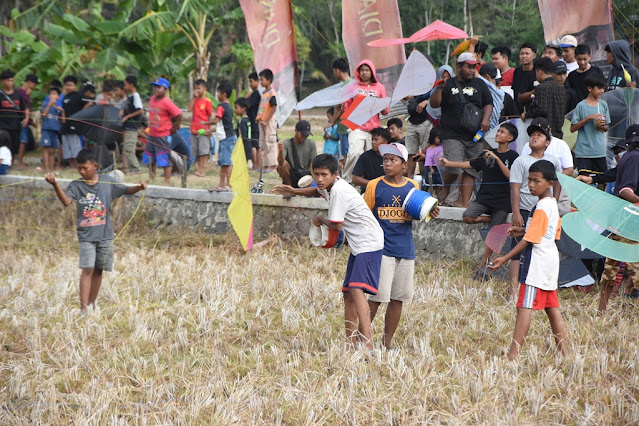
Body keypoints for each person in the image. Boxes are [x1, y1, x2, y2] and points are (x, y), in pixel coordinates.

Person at [274, 154, 384, 350]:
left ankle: (367, 342)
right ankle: (350, 342)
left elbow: (336, 225)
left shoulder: (339, 192)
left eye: (324, 175)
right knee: (348, 293)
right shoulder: (330, 186)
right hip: (359, 245)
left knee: (357, 289)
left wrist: (319, 220)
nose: (319, 179)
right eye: (316, 174)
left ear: (335, 174)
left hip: (369, 242)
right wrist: (295, 190)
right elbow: (317, 191)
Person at [44, 149, 146, 313]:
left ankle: (92, 304)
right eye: (79, 169)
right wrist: (55, 184)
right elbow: (66, 201)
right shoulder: (76, 185)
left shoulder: (107, 182)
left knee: (99, 270)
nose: (82, 171)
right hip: (86, 237)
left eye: (85, 168)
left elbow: (125, 190)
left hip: (106, 236)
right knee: (88, 269)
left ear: (95, 166)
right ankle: (83, 308)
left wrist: (138, 188)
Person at [489, 160, 566, 362]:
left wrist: (505, 257)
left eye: (536, 181)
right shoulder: (551, 205)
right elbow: (551, 233)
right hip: (550, 260)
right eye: (529, 180)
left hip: (536, 264)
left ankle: (513, 356)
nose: (531, 185)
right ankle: (564, 353)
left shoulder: (540, 206)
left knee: (524, 306)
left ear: (549, 183)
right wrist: (523, 229)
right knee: (552, 307)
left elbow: (531, 239)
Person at [363, 142, 439, 349]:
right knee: (377, 297)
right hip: (382, 249)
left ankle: (387, 343)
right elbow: (364, 215)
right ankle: (363, 340)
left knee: (398, 298)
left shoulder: (413, 187)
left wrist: (430, 212)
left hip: (405, 249)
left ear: (404, 165)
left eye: (393, 160)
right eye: (385, 160)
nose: (387, 164)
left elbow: (417, 213)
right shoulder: (374, 185)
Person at [442, 122, 519, 266]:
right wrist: (449, 163)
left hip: (502, 201)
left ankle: (484, 262)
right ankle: (490, 218)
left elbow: (511, 177)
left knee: (494, 234)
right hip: (485, 197)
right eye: (498, 131)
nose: (498, 134)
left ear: (510, 137)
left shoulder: (514, 156)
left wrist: (497, 159)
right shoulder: (486, 153)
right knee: (468, 216)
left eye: (502, 132)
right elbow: (470, 164)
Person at [429, 52, 493, 208]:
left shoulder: (480, 84)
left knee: (471, 168)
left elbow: (488, 103)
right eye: (468, 67)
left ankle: (463, 202)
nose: (471, 70)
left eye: (473, 67)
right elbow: (434, 104)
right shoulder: (448, 83)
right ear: (458, 67)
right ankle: (445, 190)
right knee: (454, 166)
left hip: (474, 134)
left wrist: (485, 119)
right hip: (452, 133)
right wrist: (438, 90)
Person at [509, 118, 563, 298]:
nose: (534, 137)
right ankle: (513, 289)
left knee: (541, 244)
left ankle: (538, 286)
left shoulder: (553, 160)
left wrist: (554, 202)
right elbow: (515, 187)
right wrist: (516, 212)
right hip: (525, 208)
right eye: (532, 134)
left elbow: (558, 182)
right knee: (517, 250)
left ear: (548, 142)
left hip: (545, 209)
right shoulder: (520, 161)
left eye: (539, 135)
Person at [588, 129, 639, 314]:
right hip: (631, 219)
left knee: (611, 267)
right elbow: (626, 190)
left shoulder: (628, 157)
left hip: (620, 219)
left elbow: (613, 175)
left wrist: (592, 178)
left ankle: (601, 311)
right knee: (635, 267)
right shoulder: (635, 158)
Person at [341, 60, 389, 183]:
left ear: (372, 72)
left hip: (374, 130)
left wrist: (381, 105)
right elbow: (346, 107)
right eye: (361, 70)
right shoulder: (353, 87)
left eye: (367, 70)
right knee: (355, 153)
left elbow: (385, 111)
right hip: (356, 127)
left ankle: (365, 184)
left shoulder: (379, 87)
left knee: (370, 157)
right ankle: (347, 181)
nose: (364, 72)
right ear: (358, 72)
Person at [143, 77, 182, 186]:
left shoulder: (166, 102)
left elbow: (179, 114)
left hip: (162, 135)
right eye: (154, 87)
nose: (155, 89)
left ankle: (167, 180)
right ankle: (152, 178)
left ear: (165, 90)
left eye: (158, 87)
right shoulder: (151, 99)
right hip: (151, 134)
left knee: (164, 157)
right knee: (150, 157)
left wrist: (175, 128)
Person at [570, 74, 610, 180]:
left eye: (603, 88)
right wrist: (588, 118)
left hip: (599, 150)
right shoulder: (581, 106)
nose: (601, 91)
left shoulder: (603, 105)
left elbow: (606, 128)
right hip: (584, 151)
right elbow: (572, 128)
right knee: (583, 178)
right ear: (589, 88)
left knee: (602, 178)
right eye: (599, 88)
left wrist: (603, 125)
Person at [204, 82, 236, 191]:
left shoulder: (221, 106)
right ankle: (222, 184)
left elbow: (216, 120)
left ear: (224, 94)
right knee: (223, 162)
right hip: (227, 137)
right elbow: (222, 125)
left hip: (227, 139)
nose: (217, 96)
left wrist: (205, 123)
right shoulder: (228, 106)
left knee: (227, 162)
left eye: (218, 93)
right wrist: (211, 131)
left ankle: (229, 185)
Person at [524, 57, 566, 139]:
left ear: (539, 72)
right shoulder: (561, 88)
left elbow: (541, 109)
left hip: (544, 133)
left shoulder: (541, 88)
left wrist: (526, 114)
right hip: (558, 133)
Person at [326, 58, 354, 168]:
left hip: (344, 125)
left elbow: (339, 107)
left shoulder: (344, 86)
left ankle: (348, 177)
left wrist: (332, 123)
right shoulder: (354, 84)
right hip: (354, 125)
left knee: (346, 154)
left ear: (337, 71)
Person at [276, 120, 317, 187]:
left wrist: (315, 180)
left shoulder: (311, 144)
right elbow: (281, 163)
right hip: (292, 174)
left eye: (306, 135)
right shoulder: (286, 143)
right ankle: (289, 187)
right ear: (296, 131)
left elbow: (312, 164)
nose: (305, 137)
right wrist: (280, 152)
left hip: (306, 175)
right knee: (283, 164)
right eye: (303, 134)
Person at [352, 127, 390, 193]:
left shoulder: (392, 156)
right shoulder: (365, 156)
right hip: (369, 191)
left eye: (376, 140)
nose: (373, 142)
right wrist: (374, 184)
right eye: (372, 139)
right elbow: (355, 179)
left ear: (385, 142)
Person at [188, 79, 213, 177]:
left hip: (203, 130)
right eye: (195, 88)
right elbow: (189, 109)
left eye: (199, 88)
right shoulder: (195, 100)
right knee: (196, 150)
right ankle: (199, 168)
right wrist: (194, 98)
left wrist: (209, 129)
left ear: (204, 89)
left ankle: (201, 170)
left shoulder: (207, 101)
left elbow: (210, 116)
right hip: (194, 129)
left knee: (203, 150)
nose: (197, 90)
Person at [0, 70, 28, 159]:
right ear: (3, 81)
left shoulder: (18, 94)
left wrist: (26, 119)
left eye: (12, 81)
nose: (11, 83)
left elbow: (25, 108)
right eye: (8, 81)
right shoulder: (0, 94)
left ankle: (9, 166)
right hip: (3, 127)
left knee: (13, 148)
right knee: (3, 147)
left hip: (15, 126)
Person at [120, 76, 144, 175]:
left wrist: (127, 117)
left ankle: (136, 169)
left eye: (126, 84)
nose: (124, 86)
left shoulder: (136, 96)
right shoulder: (130, 97)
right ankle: (131, 169)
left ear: (131, 85)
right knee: (126, 148)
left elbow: (140, 110)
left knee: (129, 148)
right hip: (128, 127)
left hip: (132, 127)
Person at [61, 75, 87, 169]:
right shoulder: (64, 97)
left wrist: (80, 114)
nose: (68, 87)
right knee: (67, 149)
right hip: (65, 126)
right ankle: (72, 166)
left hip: (75, 127)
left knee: (75, 148)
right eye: (66, 85)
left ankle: (78, 167)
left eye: (70, 85)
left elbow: (89, 103)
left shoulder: (79, 95)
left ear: (75, 86)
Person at [256, 69, 278, 172]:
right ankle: (265, 165)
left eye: (262, 80)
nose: (261, 82)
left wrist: (266, 120)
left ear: (269, 80)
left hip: (268, 121)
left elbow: (273, 107)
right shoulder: (264, 92)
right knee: (263, 143)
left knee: (270, 142)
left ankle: (272, 165)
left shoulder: (271, 92)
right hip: (262, 120)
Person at [41, 86, 65, 174]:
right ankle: (46, 168)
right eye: (50, 94)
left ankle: (51, 169)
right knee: (46, 149)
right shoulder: (45, 105)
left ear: (58, 97)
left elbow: (63, 121)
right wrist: (49, 104)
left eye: (54, 94)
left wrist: (62, 112)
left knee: (52, 150)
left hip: (55, 131)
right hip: (46, 129)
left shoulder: (58, 108)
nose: (52, 96)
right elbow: (44, 114)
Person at [16, 74, 37, 169]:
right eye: (34, 84)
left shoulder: (25, 93)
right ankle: (19, 162)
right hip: (21, 120)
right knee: (22, 141)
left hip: (25, 120)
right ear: (29, 83)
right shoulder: (20, 93)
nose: (35, 86)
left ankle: (20, 161)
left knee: (23, 141)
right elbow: (24, 108)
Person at [478, 63, 504, 130]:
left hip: (489, 129)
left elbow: (476, 75)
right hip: (494, 128)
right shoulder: (501, 92)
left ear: (486, 77)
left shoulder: (490, 87)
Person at [513, 42, 538, 114]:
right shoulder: (517, 71)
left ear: (534, 55)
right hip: (517, 110)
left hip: (531, 110)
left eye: (527, 54)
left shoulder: (537, 72)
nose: (524, 56)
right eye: (522, 54)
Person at [246, 72, 261, 169]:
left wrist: (247, 99)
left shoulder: (256, 94)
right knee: (254, 144)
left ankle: (256, 165)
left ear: (257, 81)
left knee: (256, 145)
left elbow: (249, 105)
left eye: (251, 81)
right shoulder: (255, 94)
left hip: (254, 122)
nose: (250, 84)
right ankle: (255, 165)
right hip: (252, 122)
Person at [422, 126, 443, 195]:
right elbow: (428, 160)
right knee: (431, 184)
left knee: (440, 184)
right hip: (433, 168)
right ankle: (429, 195)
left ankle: (439, 196)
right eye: (438, 138)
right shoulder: (430, 149)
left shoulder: (441, 146)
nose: (440, 140)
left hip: (440, 167)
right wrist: (430, 168)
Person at [234, 97, 252, 165]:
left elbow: (242, 134)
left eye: (236, 108)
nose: (235, 110)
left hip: (244, 143)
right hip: (248, 142)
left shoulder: (242, 121)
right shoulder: (247, 120)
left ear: (243, 109)